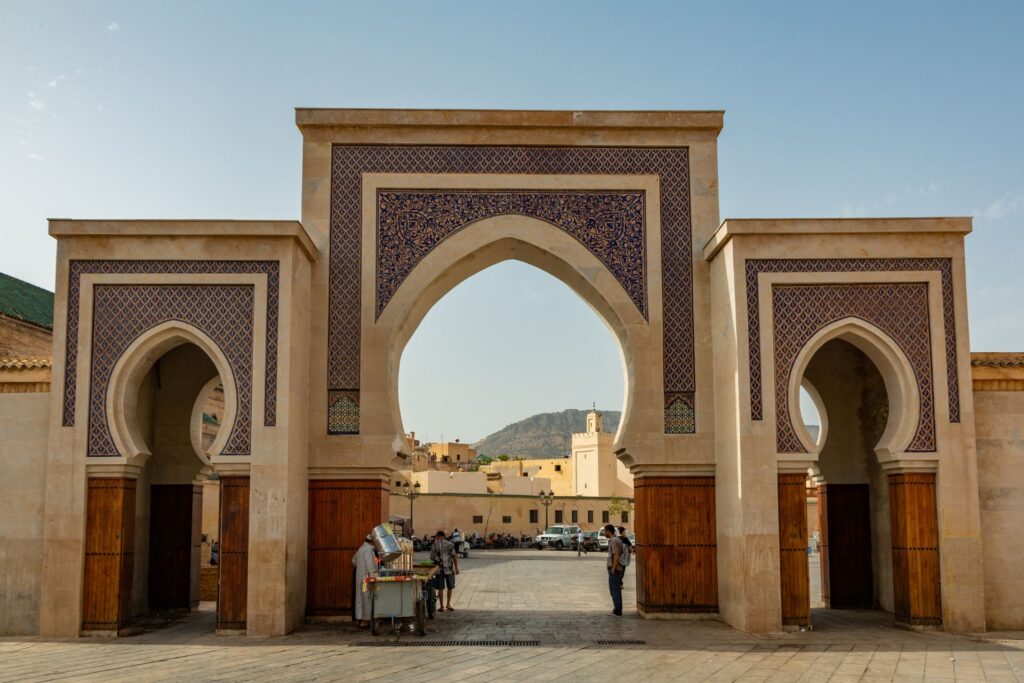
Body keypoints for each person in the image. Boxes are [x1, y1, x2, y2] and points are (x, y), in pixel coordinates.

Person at [351, 533, 378, 627]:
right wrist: (374, 576)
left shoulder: (361, 549)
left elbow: (353, 561)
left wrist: (360, 567)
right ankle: (365, 620)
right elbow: (370, 565)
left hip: (360, 577)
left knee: (359, 598)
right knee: (367, 598)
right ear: (372, 542)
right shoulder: (368, 550)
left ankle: (359, 618)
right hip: (367, 579)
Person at [430, 530, 459, 612]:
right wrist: (456, 568)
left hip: (439, 570)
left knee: (440, 588)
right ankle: (448, 604)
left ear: (439, 536)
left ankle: (442, 606)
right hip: (449, 569)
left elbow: (431, 557)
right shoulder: (450, 544)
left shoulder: (434, 545)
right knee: (450, 587)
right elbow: (454, 556)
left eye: (436, 536)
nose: (436, 538)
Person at [604, 524, 625, 616]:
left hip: (615, 569)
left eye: (605, 531)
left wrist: (613, 568)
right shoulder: (616, 540)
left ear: (608, 531)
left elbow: (616, 555)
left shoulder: (614, 541)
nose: (604, 533)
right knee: (615, 589)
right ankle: (617, 609)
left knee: (614, 590)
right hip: (616, 569)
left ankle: (617, 610)